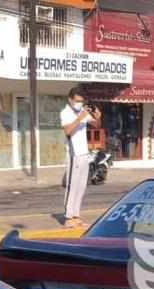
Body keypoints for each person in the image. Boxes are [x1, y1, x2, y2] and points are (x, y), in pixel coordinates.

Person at [60, 87, 101, 228]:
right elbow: (68, 130)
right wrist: (80, 118)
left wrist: (97, 116)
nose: (79, 103)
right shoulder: (66, 113)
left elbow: (96, 125)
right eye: (77, 101)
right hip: (74, 154)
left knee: (82, 186)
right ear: (70, 100)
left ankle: (76, 216)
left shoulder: (82, 111)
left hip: (84, 153)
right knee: (72, 186)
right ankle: (68, 217)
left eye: (81, 101)